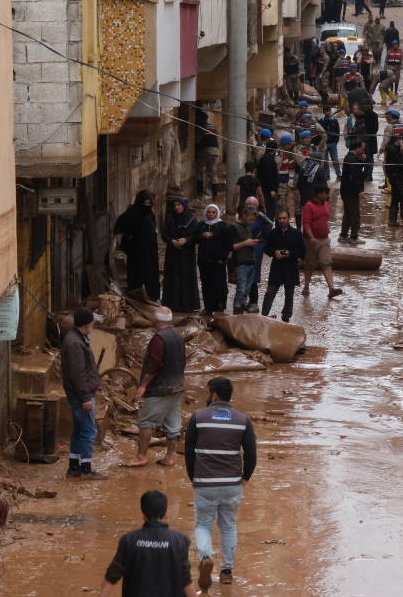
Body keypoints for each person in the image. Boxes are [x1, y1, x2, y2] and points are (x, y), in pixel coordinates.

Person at [184, 377, 258, 591]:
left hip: (204, 482)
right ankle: (226, 571)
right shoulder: (243, 420)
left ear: (214, 394)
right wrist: (246, 477)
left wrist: (193, 477)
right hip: (232, 483)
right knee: (228, 525)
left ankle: (206, 557)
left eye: (208, 392)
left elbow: (189, 452)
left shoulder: (198, 417)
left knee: (203, 525)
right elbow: (251, 454)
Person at [98, 491, 195, 597]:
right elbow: (185, 580)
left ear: (143, 513)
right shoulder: (179, 541)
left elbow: (112, 575)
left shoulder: (129, 540)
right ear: (166, 512)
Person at [125, 306, 184, 467]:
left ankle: (141, 456)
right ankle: (170, 457)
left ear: (156, 320)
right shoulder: (178, 336)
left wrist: (143, 386)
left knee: (146, 423)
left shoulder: (159, 339)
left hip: (160, 388)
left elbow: (154, 365)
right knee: (173, 425)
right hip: (177, 386)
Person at [62, 307, 105, 479]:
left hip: (78, 394)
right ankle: (86, 469)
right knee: (88, 432)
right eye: (92, 321)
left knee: (79, 430)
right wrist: (86, 398)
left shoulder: (75, 338)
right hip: (81, 396)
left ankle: (74, 467)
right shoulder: (75, 343)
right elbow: (78, 373)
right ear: (87, 324)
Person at [113, 190, 161, 302]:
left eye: (149, 204)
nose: (147, 206)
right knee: (137, 274)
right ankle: (136, 295)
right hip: (136, 252)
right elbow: (119, 228)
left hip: (150, 251)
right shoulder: (131, 214)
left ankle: (151, 296)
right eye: (145, 203)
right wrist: (128, 241)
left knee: (150, 273)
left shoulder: (150, 214)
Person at [261, 209, 305, 321]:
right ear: (277, 219)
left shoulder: (297, 234)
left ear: (289, 218)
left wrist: (290, 253)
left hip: (291, 267)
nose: (282, 220)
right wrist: (274, 252)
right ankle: (263, 316)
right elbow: (266, 248)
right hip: (277, 267)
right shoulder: (272, 233)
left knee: (289, 295)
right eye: (280, 218)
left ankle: (286, 318)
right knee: (270, 293)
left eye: (284, 218)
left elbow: (303, 251)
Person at [301, 186, 344, 299]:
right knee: (310, 265)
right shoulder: (308, 206)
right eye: (326, 194)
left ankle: (331, 289)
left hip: (324, 239)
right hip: (311, 240)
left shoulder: (326, 204)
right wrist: (311, 238)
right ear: (319, 194)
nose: (328, 196)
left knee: (327, 263)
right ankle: (306, 287)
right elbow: (306, 224)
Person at [162, 198, 200, 313]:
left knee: (186, 275)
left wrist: (186, 240)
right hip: (173, 252)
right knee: (173, 275)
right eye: (175, 206)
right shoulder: (170, 218)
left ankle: (187, 304)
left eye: (179, 205)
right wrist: (171, 241)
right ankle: (172, 304)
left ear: (184, 206)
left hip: (187, 253)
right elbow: (164, 234)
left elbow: (196, 236)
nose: (177, 207)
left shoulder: (192, 219)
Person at [193, 204, 230, 314]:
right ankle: (208, 307)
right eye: (209, 212)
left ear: (217, 213)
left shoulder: (222, 226)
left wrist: (223, 258)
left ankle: (220, 307)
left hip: (218, 262)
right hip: (204, 261)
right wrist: (202, 236)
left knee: (220, 284)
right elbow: (193, 238)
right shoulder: (201, 225)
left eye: (213, 212)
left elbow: (227, 244)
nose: (211, 214)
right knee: (206, 284)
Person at [229, 208, 262, 314]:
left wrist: (253, 242)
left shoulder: (248, 227)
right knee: (241, 290)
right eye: (251, 219)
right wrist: (246, 243)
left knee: (247, 290)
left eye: (253, 220)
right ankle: (237, 312)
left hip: (251, 262)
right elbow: (231, 247)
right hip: (240, 263)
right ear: (243, 215)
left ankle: (241, 311)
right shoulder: (234, 227)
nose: (252, 222)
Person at [246, 198, 274, 309]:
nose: (250, 205)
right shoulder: (242, 215)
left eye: (252, 204)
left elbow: (270, 227)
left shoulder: (261, 217)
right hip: (243, 247)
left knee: (253, 274)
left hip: (256, 248)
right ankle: (242, 300)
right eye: (248, 203)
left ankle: (253, 301)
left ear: (257, 205)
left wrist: (261, 241)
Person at [340, 142, 367, 242]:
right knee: (355, 214)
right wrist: (360, 191)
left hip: (345, 190)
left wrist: (363, 161)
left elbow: (357, 170)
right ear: (357, 148)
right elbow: (354, 177)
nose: (363, 151)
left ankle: (343, 235)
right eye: (362, 149)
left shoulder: (351, 157)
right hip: (351, 192)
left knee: (347, 213)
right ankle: (353, 237)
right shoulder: (352, 159)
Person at [384, 126, 403, 226]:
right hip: (396, 177)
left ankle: (392, 220)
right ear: (399, 141)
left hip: (394, 177)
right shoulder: (393, 149)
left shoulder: (391, 147)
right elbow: (400, 162)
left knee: (395, 198)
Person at [257, 137, 283, 210]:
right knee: (269, 209)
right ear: (274, 149)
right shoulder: (267, 159)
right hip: (267, 191)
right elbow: (268, 175)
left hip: (267, 190)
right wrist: (271, 189)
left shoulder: (267, 158)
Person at [317, 108, 342, 179]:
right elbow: (319, 133)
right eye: (326, 111)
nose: (328, 112)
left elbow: (337, 132)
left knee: (335, 159)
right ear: (323, 112)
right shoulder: (320, 121)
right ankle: (327, 176)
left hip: (332, 143)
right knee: (325, 161)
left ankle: (339, 174)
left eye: (329, 111)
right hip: (324, 144)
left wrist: (335, 141)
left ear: (330, 111)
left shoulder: (335, 120)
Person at [196, 126, 220, 196]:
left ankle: (199, 193)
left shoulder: (201, 129)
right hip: (215, 152)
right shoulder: (213, 130)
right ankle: (215, 196)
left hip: (205, 150)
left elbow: (199, 143)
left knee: (198, 170)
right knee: (213, 173)